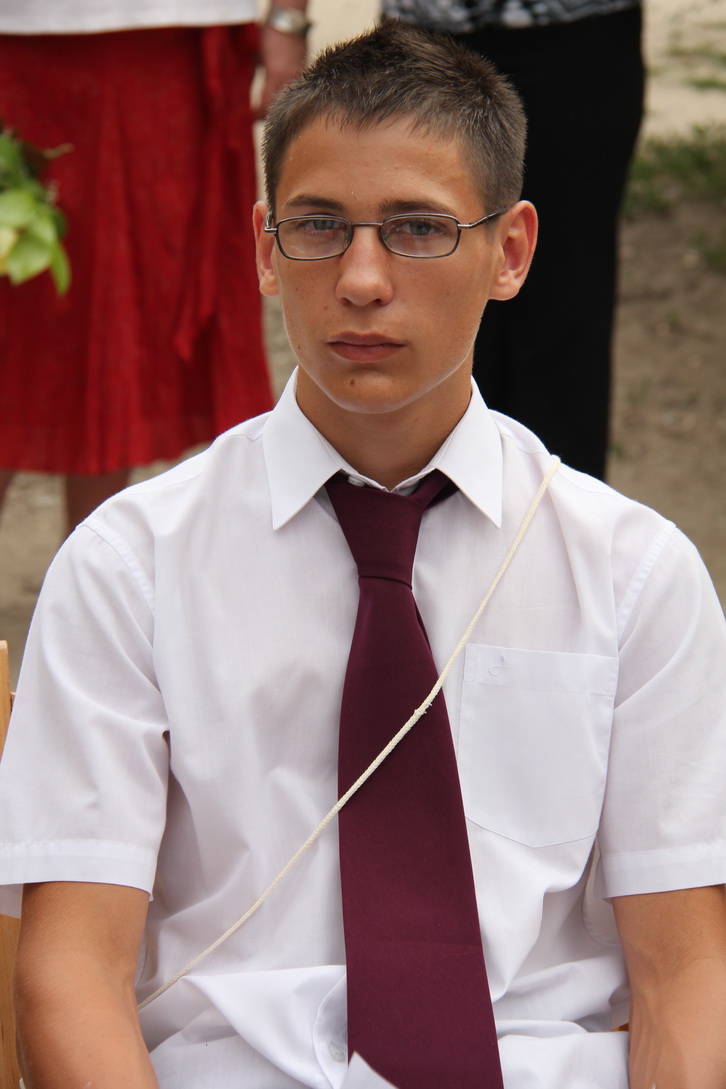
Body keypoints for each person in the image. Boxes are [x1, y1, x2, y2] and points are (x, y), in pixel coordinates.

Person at [1, 19, 725, 1089]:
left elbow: (685, 975)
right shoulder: (129, 570)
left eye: (420, 229)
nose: (363, 278)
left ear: (511, 251)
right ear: (264, 247)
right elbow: (69, 973)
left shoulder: (634, 575)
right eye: (319, 226)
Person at [0, 0, 311, 534]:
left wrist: (287, 16)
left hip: (173, 33)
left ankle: (92, 572)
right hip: (18, 39)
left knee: (125, 319)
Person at [381, 0, 645, 480]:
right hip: (425, 32)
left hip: (579, 28)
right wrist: (287, 20)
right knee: (421, 290)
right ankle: (417, 500)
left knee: (566, 299)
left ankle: (555, 510)